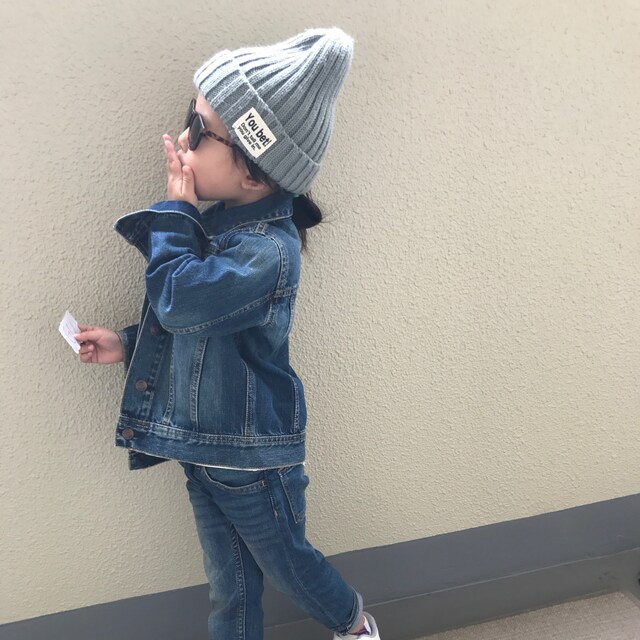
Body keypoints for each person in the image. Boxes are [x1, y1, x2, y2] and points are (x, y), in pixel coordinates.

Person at [74, 27, 380, 640]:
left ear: (254, 175)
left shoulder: (267, 252)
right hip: (205, 446)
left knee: (290, 566)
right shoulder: (220, 227)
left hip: (251, 458)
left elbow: (182, 301)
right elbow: (197, 333)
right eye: (190, 117)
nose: (185, 139)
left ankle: (355, 626)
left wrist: (177, 213)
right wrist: (127, 344)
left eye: (201, 129)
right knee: (229, 589)